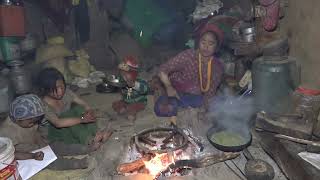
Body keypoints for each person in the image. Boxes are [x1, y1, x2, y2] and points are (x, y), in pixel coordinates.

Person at [154, 23, 224, 124]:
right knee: (160, 108)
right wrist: (169, 87)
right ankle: (177, 108)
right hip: (176, 93)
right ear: (198, 42)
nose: (206, 46)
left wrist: (206, 111)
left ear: (216, 46)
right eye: (203, 42)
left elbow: (210, 93)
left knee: (215, 105)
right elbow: (162, 70)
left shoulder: (217, 67)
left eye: (211, 43)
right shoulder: (188, 56)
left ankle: (182, 110)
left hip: (196, 98)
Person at [0, 94, 89, 170]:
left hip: (37, 146)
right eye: (30, 122)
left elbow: (36, 133)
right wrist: (32, 156)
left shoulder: (29, 121)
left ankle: (85, 148)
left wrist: (43, 146)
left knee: (58, 146)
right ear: (17, 120)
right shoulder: (7, 132)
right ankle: (77, 164)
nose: (33, 124)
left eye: (35, 121)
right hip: (25, 155)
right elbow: (11, 154)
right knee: (50, 162)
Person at [36, 67, 111, 151]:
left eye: (62, 86)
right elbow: (58, 123)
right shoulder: (43, 104)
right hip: (55, 133)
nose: (60, 91)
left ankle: (97, 133)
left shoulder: (66, 93)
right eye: (55, 89)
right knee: (68, 116)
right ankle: (90, 141)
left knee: (79, 109)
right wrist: (82, 119)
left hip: (72, 124)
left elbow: (84, 104)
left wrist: (88, 111)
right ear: (45, 90)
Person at [112, 56, 149, 122]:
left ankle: (131, 115)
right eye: (122, 73)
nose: (123, 76)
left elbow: (145, 89)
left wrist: (134, 85)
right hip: (126, 101)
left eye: (125, 74)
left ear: (133, 74)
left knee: (132, 108)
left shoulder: (139, 81)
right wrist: (113, 81)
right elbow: (118, 84)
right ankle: (123, 109)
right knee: (116, 104)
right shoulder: (122, 80)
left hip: (139, 102)